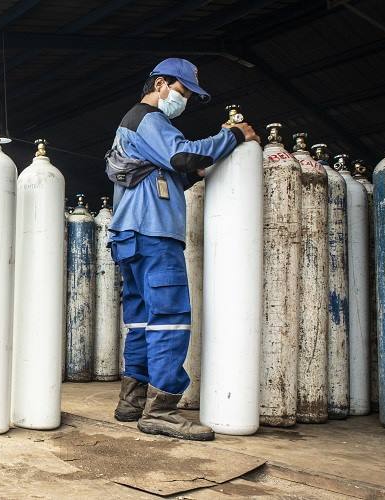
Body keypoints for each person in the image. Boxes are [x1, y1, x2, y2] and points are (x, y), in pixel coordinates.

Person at [108, 58, 259, 440]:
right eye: (183, 91)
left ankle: (132, 401)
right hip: (154, 232)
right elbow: (184, 156)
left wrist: (195, 172)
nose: (185, 100)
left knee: (141, 318)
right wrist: (234, 136)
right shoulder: (148, 119)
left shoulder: (133, 128)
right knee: (171, 317)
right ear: (160, 83)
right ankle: (161, 410)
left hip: (130, 234)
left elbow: (176, 172)